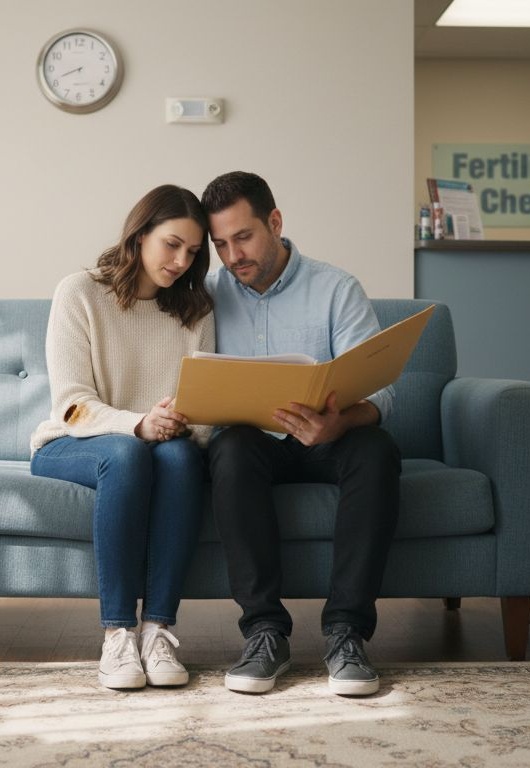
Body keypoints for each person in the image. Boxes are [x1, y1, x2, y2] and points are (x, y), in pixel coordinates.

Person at [201, 171, 401, 696]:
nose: (232, 256)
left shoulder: (335, 287)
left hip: (328, 438)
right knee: (230, 450)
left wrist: (341, 420)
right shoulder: (204, 294)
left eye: (243, 237)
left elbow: (383, 394)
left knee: (376, 449)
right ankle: (264, 631)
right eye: (220, 244)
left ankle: (347, 633)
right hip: (251, 445)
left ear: (275, 222)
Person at [30, 184, 215, 690]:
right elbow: (71, 404)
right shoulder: (80, 292)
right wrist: (137, 423)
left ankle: (158, 631)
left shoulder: (195, 310)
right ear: (139, 236)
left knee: (180, 459)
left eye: (194, 252)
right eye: (172, 244)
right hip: (73, 443)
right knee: (129, 454)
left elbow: (203, 411)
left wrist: (177, 421)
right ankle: (117, 634)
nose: (180, 261)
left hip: (159, 445)